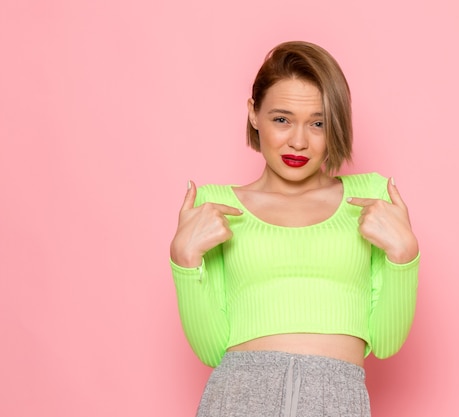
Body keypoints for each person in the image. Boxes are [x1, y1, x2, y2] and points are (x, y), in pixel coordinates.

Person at [169, 41, 420, 417]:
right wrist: (183, 261)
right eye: (281, 119)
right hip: (239, 398)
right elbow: (211, 348)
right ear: (254, 114)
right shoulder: (216, 206)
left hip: (336, 399)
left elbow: (386, 342)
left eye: (317, 123)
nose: (298, 141)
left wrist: (405, 257)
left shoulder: (371, 199)